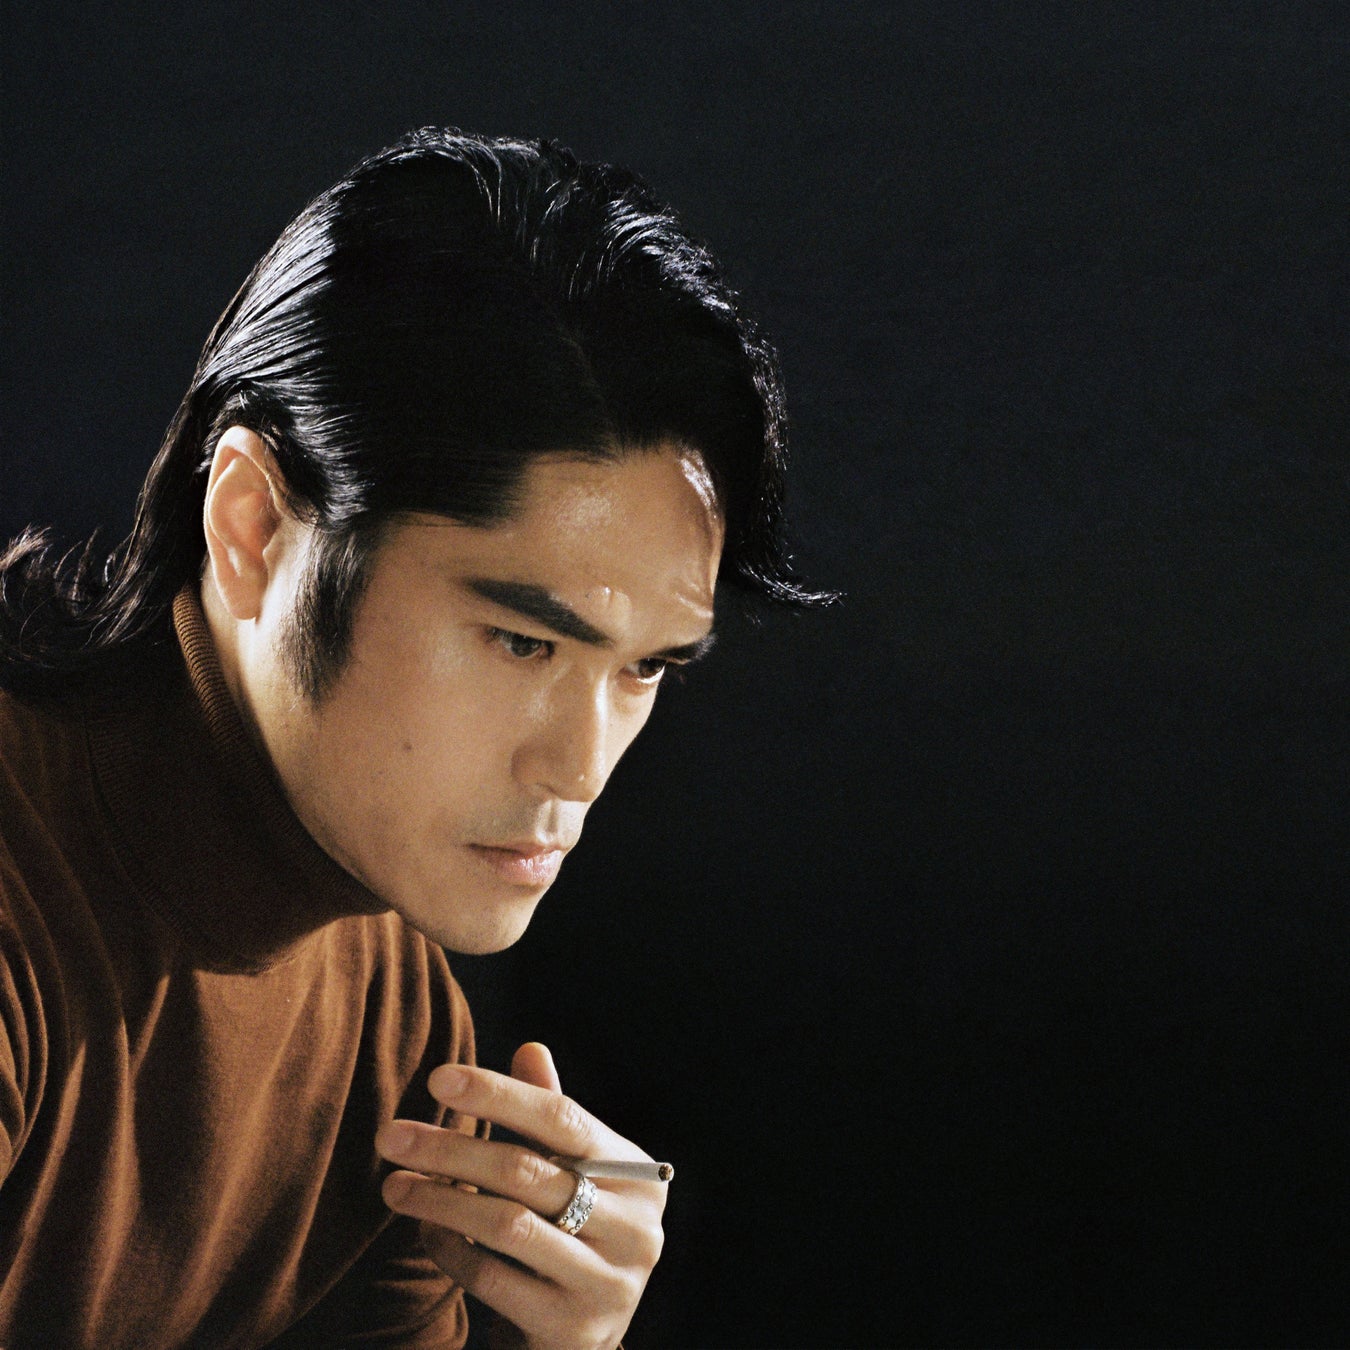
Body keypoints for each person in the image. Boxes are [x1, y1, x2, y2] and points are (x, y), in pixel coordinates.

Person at [0, 127, 829, 1347]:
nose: (580, 769)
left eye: (645, 669)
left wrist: (562, 1342)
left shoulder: (398, 1028)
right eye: (522, 643)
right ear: (252, 526)